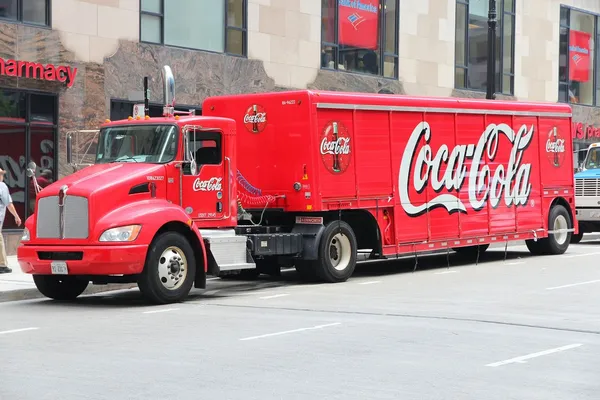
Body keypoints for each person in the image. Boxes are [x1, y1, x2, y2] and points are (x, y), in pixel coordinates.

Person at [0, 168, 22, 274]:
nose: (2, 176)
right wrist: (16, 216)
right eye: (1, 174)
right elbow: (9, 204)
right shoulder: (2, 186)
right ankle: (2, 264)